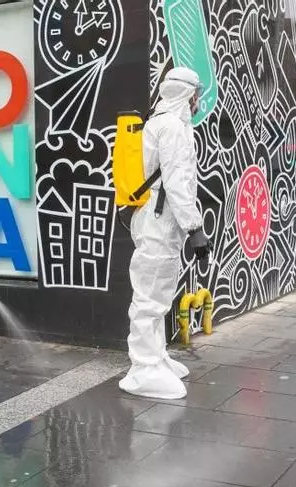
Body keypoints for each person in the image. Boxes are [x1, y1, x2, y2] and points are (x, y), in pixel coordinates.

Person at [119, 67, 211, 400]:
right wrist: (195, 228)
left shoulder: (163, 122)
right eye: (196, 94)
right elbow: (176, 183)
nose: (198, 101)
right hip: (159, 221)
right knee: (149, 295)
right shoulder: (171, 127)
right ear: (186, 94)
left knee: (158, 292)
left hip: (158, 219)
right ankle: (143, 368)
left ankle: (155, 357)